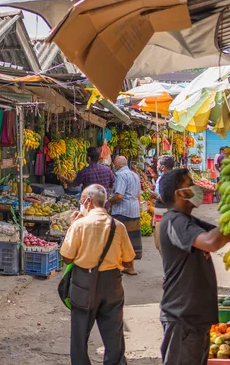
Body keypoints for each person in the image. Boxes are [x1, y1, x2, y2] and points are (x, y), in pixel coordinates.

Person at [157, 169, 230, 365]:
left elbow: (220, 234)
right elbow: (211, 242)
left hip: (194, 317)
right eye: (190, 183)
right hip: (182, 317)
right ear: (179, 193)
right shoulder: (175, 221)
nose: (195, 187)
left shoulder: (188, 220)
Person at [60, 184, 135, 365]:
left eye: (81, 201)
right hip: (112, 283)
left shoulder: (79, 225)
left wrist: (73, 226)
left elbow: (67, 258)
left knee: (79, 334)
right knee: (113, 334)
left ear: (87, 201)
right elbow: (128, 261)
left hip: (83, 282)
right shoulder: (119, 226)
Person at [107, 156, 142, 275]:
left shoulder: (121, 175)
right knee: (131, 239)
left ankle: (119, 266)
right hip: (134, 210)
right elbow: (138, 195)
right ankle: (130, 267)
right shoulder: (134, 175)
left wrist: (109, 201)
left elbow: (119, 196)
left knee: (119, 239)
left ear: (117, 165)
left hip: (122, 211)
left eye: (114, 165)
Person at [151, 155, 174, 253]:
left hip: (164, 215)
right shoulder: (162, 178)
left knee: (162, 246)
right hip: (159, 214)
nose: (157, 166)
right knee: (159, 245)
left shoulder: (169, 180)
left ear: (163, 167)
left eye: (158, 164)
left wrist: (156, 196)